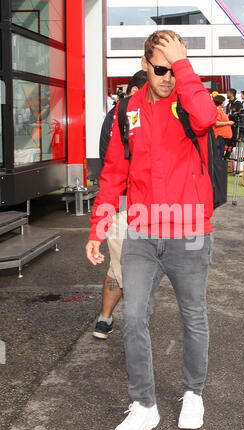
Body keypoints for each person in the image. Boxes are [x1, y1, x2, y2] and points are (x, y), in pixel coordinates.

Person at [86, 30, 218, 430]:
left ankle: (192, 393)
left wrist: (183, 66)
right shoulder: (128, 110)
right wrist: (98, 226)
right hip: (141, 231)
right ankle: (143, 406)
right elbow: (112, 174)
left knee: (192, 316)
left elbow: (207, 118)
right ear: (145, 65)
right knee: (133, 317)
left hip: (190, 231)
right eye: (161, 69)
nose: (168, 77)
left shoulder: (189, 98)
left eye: (174, 68)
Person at [93, 70, 148, 340]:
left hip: (150, 207)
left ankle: (115, 318)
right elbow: (112, 166)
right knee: (119, 267)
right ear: (137, 91)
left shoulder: (144, 115)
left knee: (136, 267)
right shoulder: (121, 116)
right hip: (125, 205)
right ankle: (106, 317)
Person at [212, 94, 234, 160]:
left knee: (220, 154)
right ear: (220, 102)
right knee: (218, 155)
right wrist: (228, 123)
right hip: (219, 136)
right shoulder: (217, 110)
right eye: (224, 101)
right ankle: (217, 169)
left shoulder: (220, 110)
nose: (224, 103)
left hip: (222, 136)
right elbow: (216, 123)